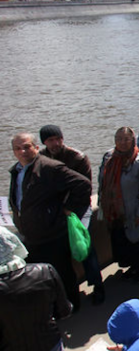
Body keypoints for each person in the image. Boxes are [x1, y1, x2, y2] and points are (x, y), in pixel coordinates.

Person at [8, 132, 92, 311]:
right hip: (31, 234)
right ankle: (52, 307)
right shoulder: (17, 171)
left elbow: (83, 185)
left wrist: (67, 210)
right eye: (18, 148)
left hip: (52, 234)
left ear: (36, 148)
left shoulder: (49, 168)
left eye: (27, 147)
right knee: (39, 277)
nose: (22, 151)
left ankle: (72, 306)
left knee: (62, 273)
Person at [38, 124, 104, 304]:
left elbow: (85, 188)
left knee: (84, 246)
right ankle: (67, 291)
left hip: (79, 209)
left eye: (58, 139)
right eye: (51, 140)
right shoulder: (40, 159)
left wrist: (68, 208)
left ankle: (97, 286)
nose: (56, 143)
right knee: (59, 252)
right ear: (44, 142)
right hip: (56, 211)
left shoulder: (77, 158)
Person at [97, 127, 139, 281]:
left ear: (133, 140)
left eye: (126, 139)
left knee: (137, 241)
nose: (122, 143)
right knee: (122, 241)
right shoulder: (109, 158)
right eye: (119, 139)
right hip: (116, 210)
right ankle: (131, 267)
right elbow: (102, 182)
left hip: (133, 210)